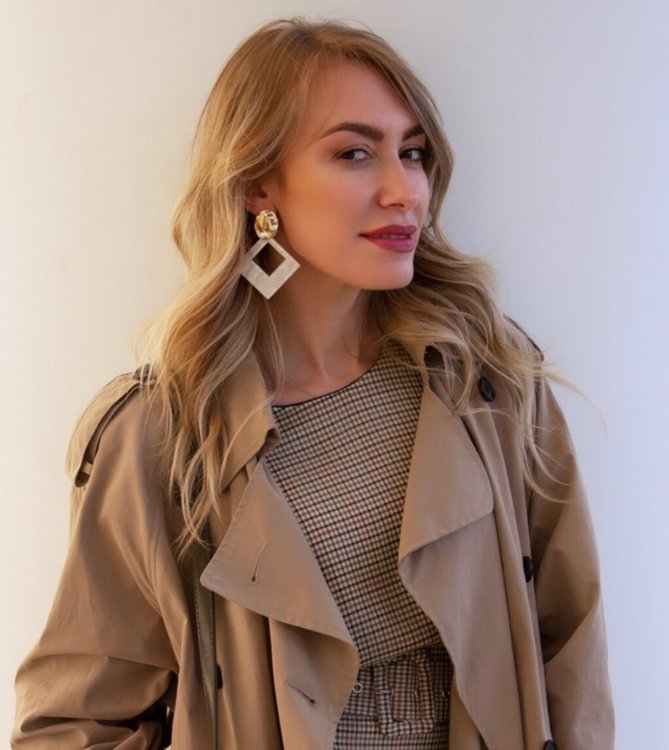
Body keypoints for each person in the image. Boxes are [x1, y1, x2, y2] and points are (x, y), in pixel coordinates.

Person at [12, 17, 614, 750]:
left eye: (413, 153)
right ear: (256, 183)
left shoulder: (484, 381)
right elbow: (77, 721)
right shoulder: (163, 439)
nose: (403, 191)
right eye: (354, 153)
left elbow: (569, 644)